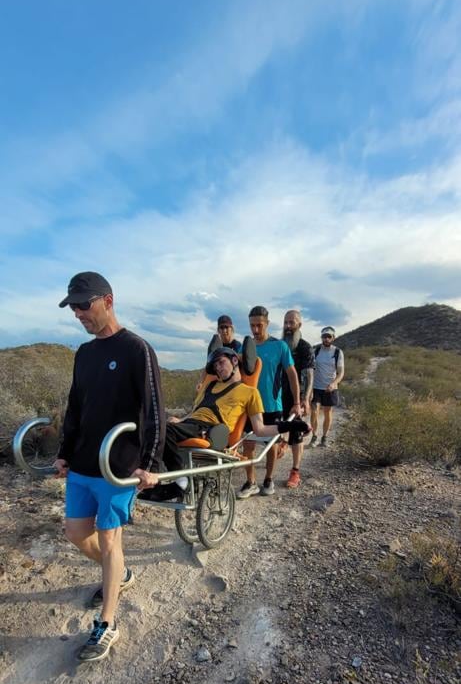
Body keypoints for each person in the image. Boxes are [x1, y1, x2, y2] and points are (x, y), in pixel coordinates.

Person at [54, 272, 165, 663]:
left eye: (85, 305)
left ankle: (107, 623)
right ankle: (117, 575)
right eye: (75, 307)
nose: (79, 313)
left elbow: (154, 411)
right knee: (75, 532)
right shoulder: (84, 354)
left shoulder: (137, 349)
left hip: (117, 464)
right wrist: (65, 451)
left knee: (109, 538)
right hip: (84, 461)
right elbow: (75, 406)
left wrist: (148, 463)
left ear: (108, 300)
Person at [139, 346, 308, 502]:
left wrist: (292, 425)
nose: (218, 368)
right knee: (148, 425)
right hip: (191, 424)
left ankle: (179, 482)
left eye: (221, 362)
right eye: (215, 365)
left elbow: (260, 428)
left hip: (212, 430)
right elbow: (196, 411)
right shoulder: (210, 385)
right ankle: (143, 479)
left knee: (163, 430)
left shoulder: (250, 392)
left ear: (235, 361)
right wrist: (180, 421)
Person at [237, 306, 302, 498]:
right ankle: (251, 482)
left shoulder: (279, 346)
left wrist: (297, 402)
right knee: (247, 445)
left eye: (259, 325)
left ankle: (268, 479)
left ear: (267, 324)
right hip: (249, 406)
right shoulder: (245, 348)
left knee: (271, 445)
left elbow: (292, 375)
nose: (255, 330)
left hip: (272, 405)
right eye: (252, 326)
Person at [281, 310, 314, 488]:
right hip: (280, 396)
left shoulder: (304, 347)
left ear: (299, 325)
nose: (287, 326)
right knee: (278, 427)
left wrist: (306, 399)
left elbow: (309, 375)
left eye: (291, 323)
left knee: (296, 435)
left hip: (298, 397)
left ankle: (295, 471)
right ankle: (283, 443)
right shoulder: (280, 345)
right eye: (285, 322)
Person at [310, 326, 344, 447]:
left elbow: (341, 372)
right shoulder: (315, 351)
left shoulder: (337, 352)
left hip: (330, 387)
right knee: (314, 411)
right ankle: (314, 437)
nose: (326, 339)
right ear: (321, 337)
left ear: (333, 338)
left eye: (329, 336)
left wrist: (334, 383)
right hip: (316, 386)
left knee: (327, 412)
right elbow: (310, 369)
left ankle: (324, 437)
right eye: (324, 336)